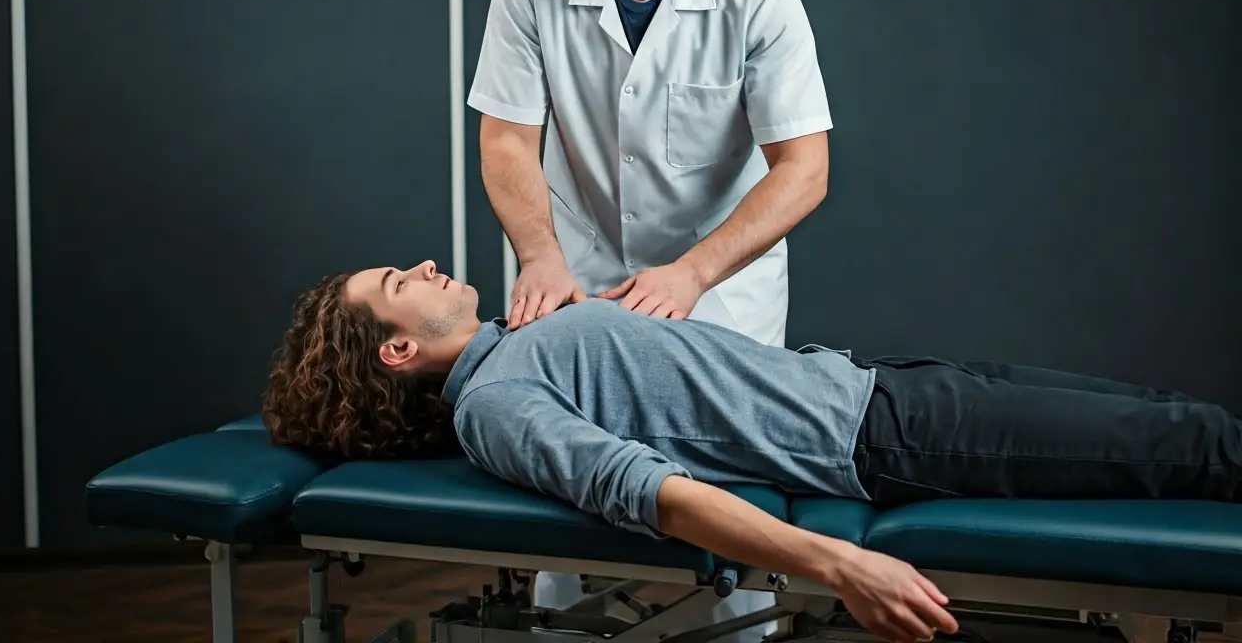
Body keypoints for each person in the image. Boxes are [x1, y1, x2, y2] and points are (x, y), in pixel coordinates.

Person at [261, 260, 1241, 643]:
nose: (426, 265)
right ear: (397, 347)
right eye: (399, 279)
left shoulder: (515, 343)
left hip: (881, 387)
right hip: (885, 438)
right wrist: (838, 561)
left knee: (1174, 421)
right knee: (1198, 444)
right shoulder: (497, 404)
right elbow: (651, 490)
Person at [467, 0, 831, 633]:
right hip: (581, 277)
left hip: (719, 294)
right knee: (571, 516)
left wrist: (694, 272)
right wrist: (540, 253)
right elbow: (508, 139)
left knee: (735, 558)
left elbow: (803, 168)